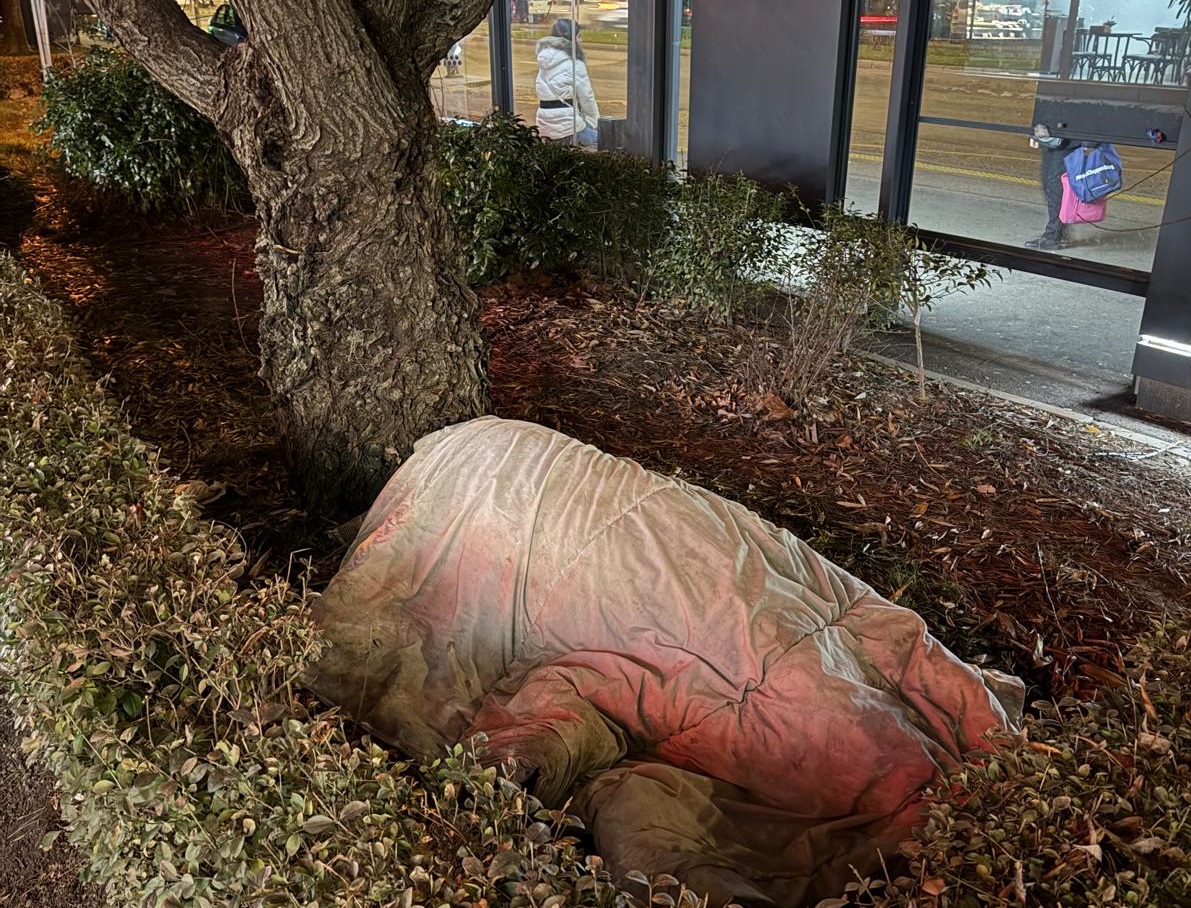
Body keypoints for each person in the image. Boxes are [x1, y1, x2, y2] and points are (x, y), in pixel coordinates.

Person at [535, 19, 600, 148]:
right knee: (606, 140)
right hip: (568, 129)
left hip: (544, 127)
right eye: (578, 36)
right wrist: (595, 123)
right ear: (571, 38)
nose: (581, 40)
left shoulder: (544, 62)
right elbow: (587, 98)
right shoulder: (575, 64)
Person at [1026, 123, 1073, 251]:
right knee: (1050, 186)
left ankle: (1053, 236)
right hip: (1054, 139)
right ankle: (1059, 232)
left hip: (1065, 141)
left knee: (1055, 189)